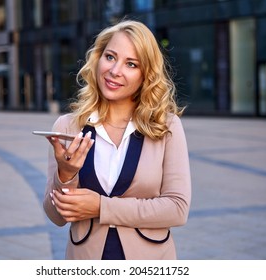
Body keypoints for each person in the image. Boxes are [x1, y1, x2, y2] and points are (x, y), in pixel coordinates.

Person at [43, 19, 191, 260]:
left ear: (145, 75)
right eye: (110, 57)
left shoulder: (166, 126)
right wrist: (66, 175)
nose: (114, 71)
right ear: (98, 58)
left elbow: (177, 209)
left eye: (131, 64)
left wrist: (102, 207)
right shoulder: (67, 126)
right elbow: (56, 216)